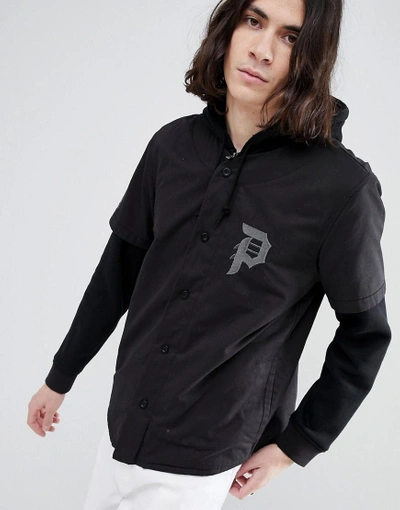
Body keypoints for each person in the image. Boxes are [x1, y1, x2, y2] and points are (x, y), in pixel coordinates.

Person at [27, 0, 392, 508]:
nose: (262, 50)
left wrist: (297, 445)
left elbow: (365, 334)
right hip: (121, 432)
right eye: (254, 21)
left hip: (204, 459)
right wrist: (60, 376)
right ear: (229, 26)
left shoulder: (341, 189)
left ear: (312, 55)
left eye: (290, 37)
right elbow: (116, 274)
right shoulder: (172, 146)